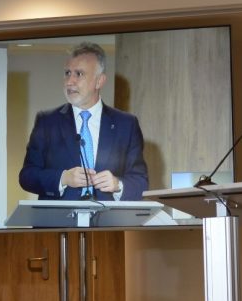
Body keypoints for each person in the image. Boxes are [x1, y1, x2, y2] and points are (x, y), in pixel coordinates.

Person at [19, 42, 148, 201]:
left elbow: (141, 181)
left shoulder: (126, 124)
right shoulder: (47, 122)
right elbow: (27, 176)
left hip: (107, 223)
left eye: (79, 74)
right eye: (67, 73)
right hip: (58, 223)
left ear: (99, 81)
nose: (69, 81)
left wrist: (117, 185)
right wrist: (63, 178)